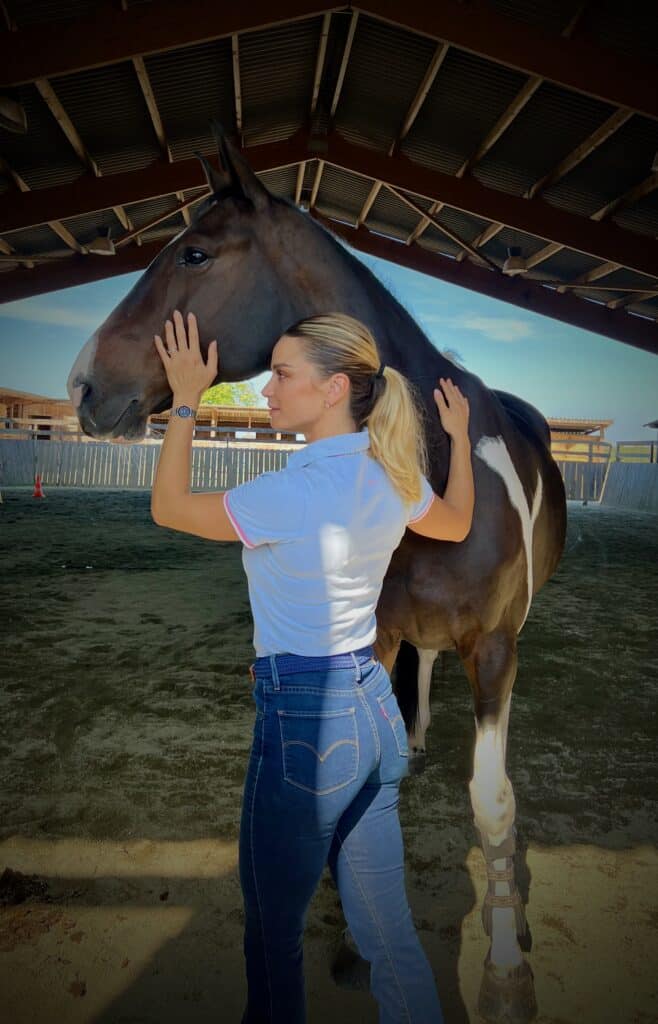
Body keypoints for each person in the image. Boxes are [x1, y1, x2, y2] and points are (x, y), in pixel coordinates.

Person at [151, 309, 474, 1023]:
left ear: (333, 390)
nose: (267, 389)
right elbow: (456, 521)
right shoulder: (392, 476)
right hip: (373, 711)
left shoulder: (290, 494)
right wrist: (455, 437)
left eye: (283, 374)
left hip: (307, 723)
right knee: (389, 935)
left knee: (273, 937)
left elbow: (168, 507)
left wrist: (186, 400)